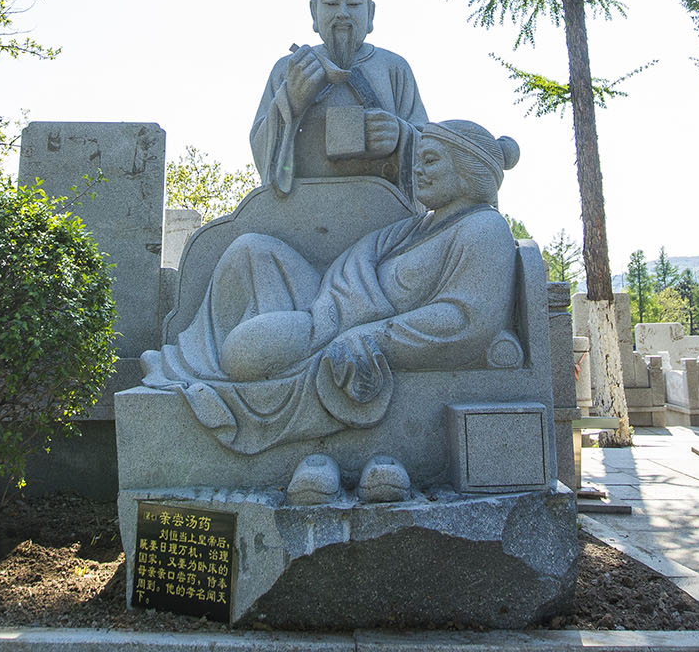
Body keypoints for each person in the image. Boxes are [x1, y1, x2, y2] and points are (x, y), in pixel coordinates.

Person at [143, 120, 522, 456]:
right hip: (329, 300)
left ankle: (214, 378)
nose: (418, 170)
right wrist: (336, 292)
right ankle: (194, 363)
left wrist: (368, 336)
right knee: (251, 249)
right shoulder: (422, 224)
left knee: (243, 351)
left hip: (342, 328)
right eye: (418, 159)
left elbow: (468, 321)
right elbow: (364, 252)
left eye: (431, 160)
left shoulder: (483, 229)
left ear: (467, 168)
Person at [250, 0, 426, 196]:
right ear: (314, 12)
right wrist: (290, 101)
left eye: (353, 3)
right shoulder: (290, 69)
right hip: (301, 204)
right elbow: (259, 148)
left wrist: (400, 135)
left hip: (381, 205)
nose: (342, 13)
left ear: (370, 13)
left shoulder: (394, 69)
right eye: (331, 3)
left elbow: (429, 147)